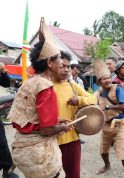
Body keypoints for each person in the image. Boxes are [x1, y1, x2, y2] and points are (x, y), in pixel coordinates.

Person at [7, 17, 73, 178]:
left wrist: (55, 119)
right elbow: (46, 129)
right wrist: (61, 128)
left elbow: (32, 116)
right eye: (60, 62)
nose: (63, 66)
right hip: (38, 154)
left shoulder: (30, 82)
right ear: (50, 62)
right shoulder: (46, 87)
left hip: (21, 150)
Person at [53, 51, 97, 178]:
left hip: (71, 139)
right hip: (50, 139)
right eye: (62, 66)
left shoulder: (72, 85)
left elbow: (94, 99)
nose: (67, 70)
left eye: (68, 67)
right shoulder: (44, 85)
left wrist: (80, 100)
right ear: (52, 65)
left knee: (73, 175)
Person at [93, 60, 124, 178]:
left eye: (109, 77)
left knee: (123, 152)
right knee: (103, 150)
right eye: (104, 79)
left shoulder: (117, 88)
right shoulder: (97, 94)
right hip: (106, 125)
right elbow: (92, 106)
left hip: (121, 124)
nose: (108, 80)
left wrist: (109, 106)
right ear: (99, 82)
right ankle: (107, 165)